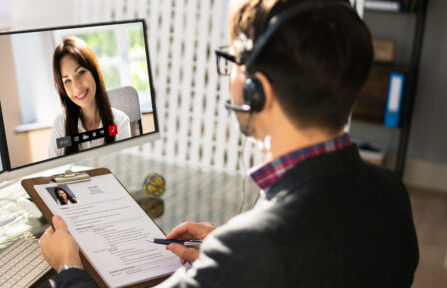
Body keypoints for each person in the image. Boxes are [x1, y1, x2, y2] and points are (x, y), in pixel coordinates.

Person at [38, 0, 419, 287]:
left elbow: (272, 254)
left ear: (256, 90)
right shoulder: (391, 192)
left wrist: (68, 267)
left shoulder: (249, 250)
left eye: (233, 61)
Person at [48, 36, 131, 157]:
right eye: (67, 81)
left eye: (80, 73)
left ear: (94, 72)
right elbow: (53, 171)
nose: (76, 87)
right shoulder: (61, 124)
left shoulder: (120, 122)